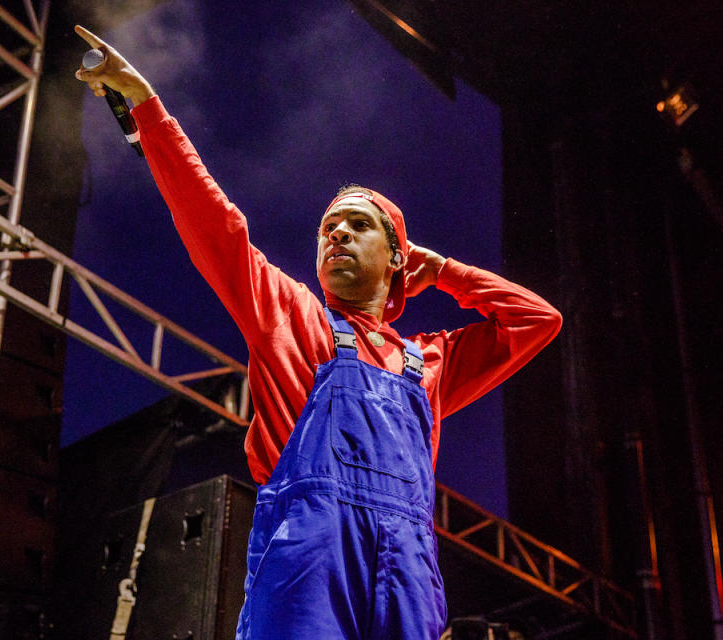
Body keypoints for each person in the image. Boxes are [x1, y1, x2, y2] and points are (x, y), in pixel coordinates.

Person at [74, 25, 562, 640]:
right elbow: (215, 225)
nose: (336, 235)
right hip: (309, 559)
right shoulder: (289, 314)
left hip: (408, 569)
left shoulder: (428, 364)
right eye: (328, 228)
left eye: (358, 225)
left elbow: (537, 321)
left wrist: (446, 273)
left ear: (396, 259)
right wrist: (147, 106)